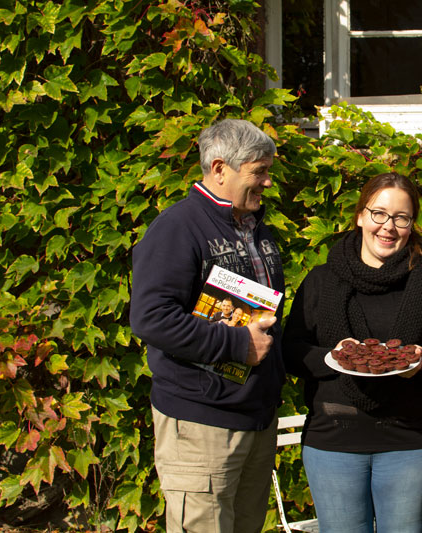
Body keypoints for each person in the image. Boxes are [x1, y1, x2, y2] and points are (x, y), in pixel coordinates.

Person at [283, 172, 422, 533]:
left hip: (413, 441)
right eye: (379, 213)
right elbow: (291, 353)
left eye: (401, 218)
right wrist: (330, 357)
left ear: (411, 225)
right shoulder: (321, 280)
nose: (388, 227)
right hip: (334, 439)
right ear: (360, 216)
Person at [130, 118, 286, 533]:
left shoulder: (256, 229)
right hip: (201, 423)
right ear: (220, 169)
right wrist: (236, 345)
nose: (268, 182)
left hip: (254, 416)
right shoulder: (177, 228)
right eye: (259, 171)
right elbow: (150, 318)